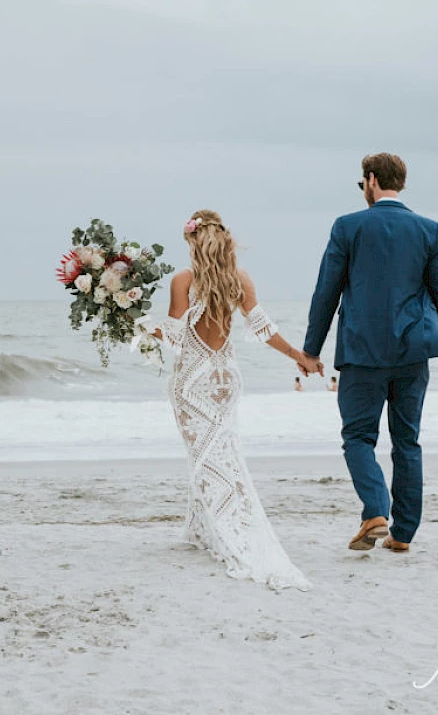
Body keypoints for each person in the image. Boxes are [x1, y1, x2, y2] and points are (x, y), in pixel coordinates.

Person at [145, 209, 318, 590]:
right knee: (224, 453)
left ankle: (223, 532)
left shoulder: (183, 281)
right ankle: (202, 530)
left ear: (193, 242)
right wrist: (299, 356)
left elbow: (173, 338)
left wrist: (135, 322)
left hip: (192, 383)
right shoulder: (240, 280)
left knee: (203, 457)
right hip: (225, 381)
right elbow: (264, 329)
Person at [302, 154, 438, 553]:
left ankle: (375, 511)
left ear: (372, 180)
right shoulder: (428, 229)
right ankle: (403, 534)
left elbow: (327, 291)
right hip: (414, 352)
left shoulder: (348, 226)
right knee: (407, 441)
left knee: (358, 437)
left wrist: (310, 349)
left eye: (362, 184)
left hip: (362, 351)